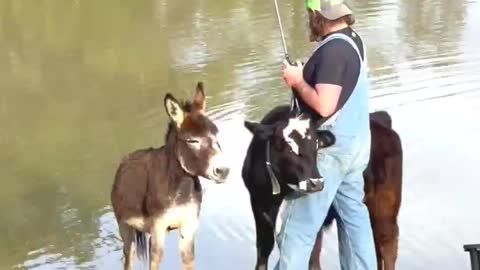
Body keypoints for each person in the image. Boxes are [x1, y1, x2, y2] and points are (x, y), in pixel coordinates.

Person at [275, 0, 377, 269]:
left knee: (297, 228)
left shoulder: (333, 51)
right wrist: (306, 70)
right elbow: (338, 82)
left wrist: (297, 80)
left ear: (319, 15)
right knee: (354, 220)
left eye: (310, 14)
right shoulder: (354, 40)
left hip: (329, 153)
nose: (309, 19)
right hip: (355, 148)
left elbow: (324, 105)